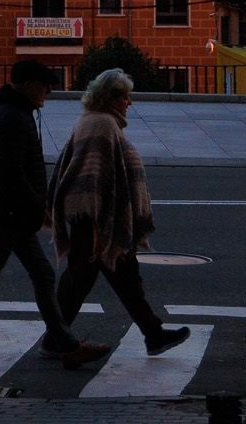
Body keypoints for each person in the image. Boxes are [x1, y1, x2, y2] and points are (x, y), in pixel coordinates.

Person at [0, 60, 112, 373]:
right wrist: (39, 205)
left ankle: (64, 344)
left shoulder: (14, 113)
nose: (48, 92)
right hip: (11, 215)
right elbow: (13, 172)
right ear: (28, 85)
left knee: (38, 275)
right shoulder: (14, 118)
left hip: (11, 213)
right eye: (44, 86)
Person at [50, 67, 191, 356]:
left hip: (98, 220)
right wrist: (99, 226)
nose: (130, 102)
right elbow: (95, 179)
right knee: (81, 280)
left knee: (122, 279)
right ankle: (54, 340)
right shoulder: (102, 125)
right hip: (97, 221)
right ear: (111, 97)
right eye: (126, 96)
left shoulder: (95, 120)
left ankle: (153, 334)